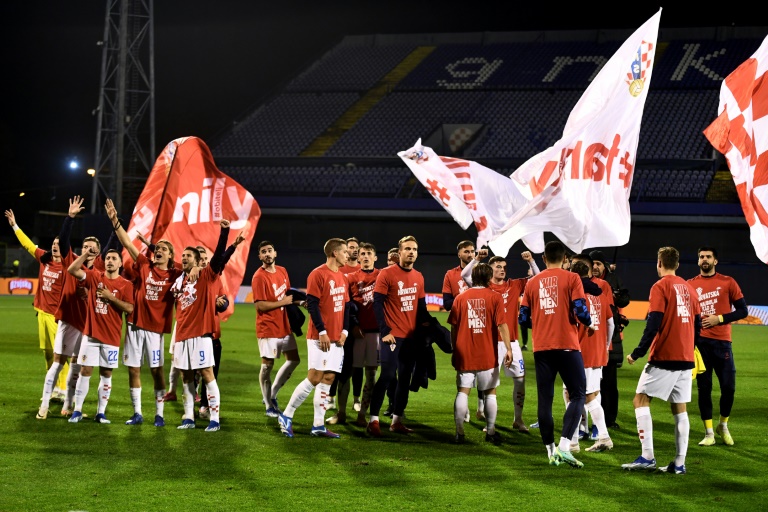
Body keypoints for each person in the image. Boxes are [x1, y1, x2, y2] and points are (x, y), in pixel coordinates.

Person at [622, 246, 701, 475]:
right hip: (686, 357)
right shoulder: (690, 289)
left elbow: (653, 323)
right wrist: (690, 349)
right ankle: (679, 463)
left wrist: (637, 352)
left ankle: (647, 456)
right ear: (677, 264)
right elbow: (697, 327)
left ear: (659, 263)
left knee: (640, 400)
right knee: (680, 409)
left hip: (665, 356)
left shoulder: (660, 286)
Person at [105, 199, 184, 427]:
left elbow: (192, 267)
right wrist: (115, 221)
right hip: (134, 324)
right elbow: (128, 244)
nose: (158, 251)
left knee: (157, 371)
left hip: (155, 329)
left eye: (163, 250)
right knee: (133, 369)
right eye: (157, 248)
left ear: (170, 256)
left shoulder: (175, 273)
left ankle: (159, 414)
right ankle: (138, 413)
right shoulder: (144, 265)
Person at [519, 240, 591, 468]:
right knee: (579, 394)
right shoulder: (572, 278)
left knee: (545, 399)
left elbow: (522, 318)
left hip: (542, 348)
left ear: (544, 258)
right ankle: (564, 445)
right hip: (567, 345)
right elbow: (581, 310)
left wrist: (540, 325)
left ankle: (550, 451)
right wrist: (588, 322)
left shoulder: (532, 283)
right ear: (565, 259)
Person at [36, 196, 103, 419]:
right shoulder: (71, 260)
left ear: (98, 253)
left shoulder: (99, 273)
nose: (88, 250)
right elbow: (64, 241)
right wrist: (70, 218)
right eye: (85, 246)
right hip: (68, 320)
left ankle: (68, 405)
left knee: (76, 366)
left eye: (92, 248)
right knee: (58, 363)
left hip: (87, 325)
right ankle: (44, 406)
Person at [278, 238, 350, 438]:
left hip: (337, 337)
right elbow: (313, 306)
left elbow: (345, 307)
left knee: (329, 377)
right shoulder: (317, 274)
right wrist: (322, 331)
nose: (348, 254)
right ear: (334, 253)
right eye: (344, 251)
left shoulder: (342, 277)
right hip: (321, 337)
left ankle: (318, 424)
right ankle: (287, 415)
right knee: (315, 377)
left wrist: (345, 331)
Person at [462, 250, 539, 433]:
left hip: (511, 342)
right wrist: (477, 259)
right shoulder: (484, 287)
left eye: (504, 267)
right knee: (491, 385)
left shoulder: (514, 285)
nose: (502, 270)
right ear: (489, 269)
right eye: (498, 267)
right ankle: (491, 424)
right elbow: (464, 275)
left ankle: (518, 420)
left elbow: (538, 278)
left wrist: (531, 261)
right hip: (490, 343)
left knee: (520, 381)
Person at [172, 220, 235, 432]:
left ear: (198, 261)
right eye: (183, 256)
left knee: (207, 373)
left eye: (188, 256)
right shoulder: (179, 281)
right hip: (182, 335)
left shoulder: (207, 275)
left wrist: (224, 232)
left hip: (201, 335)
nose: (183, 258)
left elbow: (218, 257)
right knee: (186, 377)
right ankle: (188, 416)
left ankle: (214, 419)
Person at [367, 235, 429, 437]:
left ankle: (397, 420)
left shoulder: (419, 276)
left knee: (405, 379)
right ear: (399, 252)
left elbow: (421, 308)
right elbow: (377, 304)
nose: (412, 252)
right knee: (386, 376)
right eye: (408, 249)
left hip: (411, 338)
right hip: (393, 336)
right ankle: (374, 419)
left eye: (415, 249)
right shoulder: (386, 274)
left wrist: (427, 331)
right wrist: (384, 331)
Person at [6, 209, 69, 402]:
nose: (55, 246)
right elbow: (26, 245)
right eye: (53, 244)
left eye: (59, 244)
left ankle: (64, 389)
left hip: (56, 315)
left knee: (60, 353)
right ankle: (52, 385)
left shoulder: (68, 265)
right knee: (48, 354)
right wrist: (15, 226)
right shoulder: (44, 258)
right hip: (41, 313)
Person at [66, 247, 135, 423]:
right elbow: (72, 270)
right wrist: (85, 255)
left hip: (111, 336)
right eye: (108, 258)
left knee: (106, 373)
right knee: (85, 370)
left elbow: (129, 308)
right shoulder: (95, 277)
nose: (110, 261)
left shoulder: (126, 285)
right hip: (90, 335)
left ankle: (101, 412)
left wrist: (111, 297)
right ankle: (78, 410)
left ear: (120, 263)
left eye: (114, 258)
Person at [688, 246, 747, 446]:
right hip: (700, 344)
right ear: (698, 261)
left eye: (708, 257)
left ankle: (723, 424)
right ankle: (709, 433)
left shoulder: (728, 282)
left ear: (715, 261)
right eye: (701, 257)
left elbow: (743, 311)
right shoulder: (690, 285)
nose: (704, 259)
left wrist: (719, 318)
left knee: (728, 388)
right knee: (704, 389)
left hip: (722, 343)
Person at [448, 262, 513, 444]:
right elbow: (502, 325)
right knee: (490, 393)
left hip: (465, 352)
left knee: (462, 392)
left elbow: (453, 327)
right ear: (488, 278)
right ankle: (490, 431)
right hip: (487, 352)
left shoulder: (460, 298)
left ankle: (459, 432)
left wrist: (455, 349)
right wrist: (508, 349)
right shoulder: (495, 297)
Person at [566, 254, 615, 453]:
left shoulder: (577, 296)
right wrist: (605, 345)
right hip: (598, 351)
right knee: (591, 395)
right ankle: (602, 436)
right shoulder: (600, 294)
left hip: (581, 351)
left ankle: (573, 439)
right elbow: (611, 323)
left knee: (575, 395)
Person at [251, 240, 302, 418]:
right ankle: (268, 405)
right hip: (268, 327)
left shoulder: (282, 271)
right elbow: (260, 306)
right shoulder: (259, 277)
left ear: (275, 253)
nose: (267, 254)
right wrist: (283, 302)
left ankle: (271, 395)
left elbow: (287, 295)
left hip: (284, 325)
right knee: (267, 366)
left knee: (294, 360)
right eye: (263, 252)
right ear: (260, 256)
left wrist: (300, 302)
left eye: (269, 250)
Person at [198, 238, 245, 421]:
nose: (203, 261)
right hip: (192, 334)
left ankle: (204, 405)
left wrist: (221, 302)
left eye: (205, 258)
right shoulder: (188, 278)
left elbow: (224, 300)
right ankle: (187, 407)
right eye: (200, 258)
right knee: (188, 373)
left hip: (212, 335)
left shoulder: (214, 278)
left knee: (210, 373)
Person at [443, 240, 486, 421]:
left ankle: (481, 407)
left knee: (484, 368)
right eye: (466, 252)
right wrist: (466, 302)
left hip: (480, 326)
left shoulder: (482, 272)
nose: (469, 254)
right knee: (462, 369)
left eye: (472, 251)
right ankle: (465, 407)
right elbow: (446, 304)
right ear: (459, 254)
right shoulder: (451, 275)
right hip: (461, 327)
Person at [340, 242, 381, 427]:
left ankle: (362, 414)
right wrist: (353, 325)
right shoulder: (350, 278)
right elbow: (346, 305)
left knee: (371, 375)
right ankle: (341, 412)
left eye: (369, 253)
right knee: (347, 373)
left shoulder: (382, 276)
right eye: (362, 254)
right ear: (359, 258)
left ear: (375, 257)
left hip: (375, 334)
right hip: (356, 334)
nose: (365, 256)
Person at [590, 249, 630, 430]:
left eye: (598, 263)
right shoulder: (583, 281)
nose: (595, 267)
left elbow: (624, 300)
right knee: (591, 383)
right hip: (591, 339)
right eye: (593, 264)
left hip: (611, 339)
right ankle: (590, 422)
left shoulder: (613, 280)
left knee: (610, 383)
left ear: (603, 265)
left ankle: (610, 420)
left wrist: (617, 295)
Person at [327, 237, 361, 417]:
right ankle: (330, 397)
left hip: (355, 325)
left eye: (356, 248)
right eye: (349, 249)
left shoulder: (362, 269)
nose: (352, 251)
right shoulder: (338, 270)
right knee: (333, 366)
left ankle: (356, 399)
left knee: (356, 365)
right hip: (338, 325)